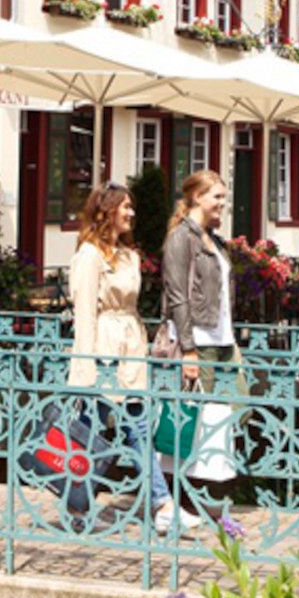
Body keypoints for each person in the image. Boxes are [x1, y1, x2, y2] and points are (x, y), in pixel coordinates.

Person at [65, 183, 175, 532]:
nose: (131, 213)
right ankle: (79, 506)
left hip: (130, 348)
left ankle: (161, 502)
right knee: (91, 432)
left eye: (132, 207)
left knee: (137, 427)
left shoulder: (129, 256)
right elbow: (83, 312)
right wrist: (85, 365)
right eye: (125, 207)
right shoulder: (89, 255)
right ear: (106, 211)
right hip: (104, 350)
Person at [159, 169, 243, 511]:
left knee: (237, 405)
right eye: (217, 197)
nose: (223, 204)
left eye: (224, 197)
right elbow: (177, 296)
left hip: (222, 339)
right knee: (192, 417)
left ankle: (202, 487)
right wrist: (189, 349)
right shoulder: (182, 238)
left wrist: (232, 336)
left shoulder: (214, 239)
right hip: (198, 339)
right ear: (197, 198)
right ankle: (181, 497)